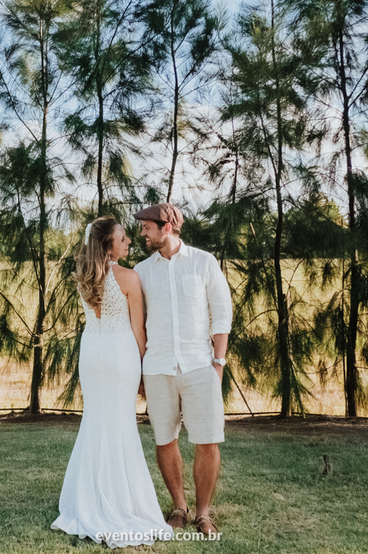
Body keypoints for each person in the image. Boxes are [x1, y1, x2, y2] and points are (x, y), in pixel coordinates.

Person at [51, 216, 173, 548]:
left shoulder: (84, 278)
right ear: (108, 246)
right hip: (120, 354)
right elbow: (139, 331)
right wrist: (145, 373)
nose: (129, 241)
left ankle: (87, 499)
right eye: (122, 238)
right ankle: (122, 502)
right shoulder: (129, 278)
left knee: (95, 421)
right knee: (120, 423)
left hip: (92, 354)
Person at [133, 202, 232, 537]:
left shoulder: (204, 262)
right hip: (157, 366)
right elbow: (137, 324)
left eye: (147, 228)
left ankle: (203, 513)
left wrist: (217, 362)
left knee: (207, 441)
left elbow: (221, 314)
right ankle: (179, 507)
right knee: (164, 439)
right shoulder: (142, 271)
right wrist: (141, 370)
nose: (142, 234)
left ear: (167, 226)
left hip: (200, 365)